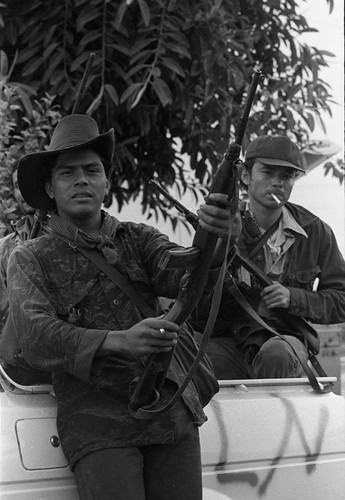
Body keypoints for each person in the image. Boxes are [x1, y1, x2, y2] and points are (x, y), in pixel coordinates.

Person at [6, 114, 232, 500]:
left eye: (92, 170)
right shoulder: (30, 257)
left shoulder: (139, 239)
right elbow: (35, 337)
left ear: (106, 182)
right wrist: (118, 341)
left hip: (170, 413)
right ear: (49, 186)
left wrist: (220, 240)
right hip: (97, 425)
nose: (82, 180)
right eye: (68, 173)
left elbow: (190, 281)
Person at [191, 134, 345, 380]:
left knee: (277, 354)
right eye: (268, 173)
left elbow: (341, 299)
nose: (277, 183)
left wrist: (293, 297)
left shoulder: (316, 231)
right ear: (245, 176)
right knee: (186, 355)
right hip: (231, 338)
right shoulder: (222, 226)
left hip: (285, 339)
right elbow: (194, 299)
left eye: (286, 176)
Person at [0, 164, 50, 333]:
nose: (24, 191)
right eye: (17, 186)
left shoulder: (69, 236)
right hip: (17, 352)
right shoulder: (5, 247)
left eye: (30, 182)